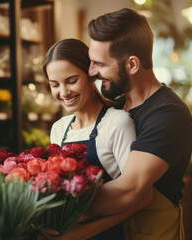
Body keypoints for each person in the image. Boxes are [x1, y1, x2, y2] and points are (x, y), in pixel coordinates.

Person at [52, 8, 192, 240]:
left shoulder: (168, 114)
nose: (91, 72)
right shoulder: (116, 106)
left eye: (98, 63)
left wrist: (55, 212)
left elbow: (131, 188)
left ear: (132, 65)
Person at [43, 38, 137, 240]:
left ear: (91, 75)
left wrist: (82, 233)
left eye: (71, 81)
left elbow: (136, 198)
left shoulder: (117, 123)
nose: (64, 92)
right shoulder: (59, 129)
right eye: (55, 85)